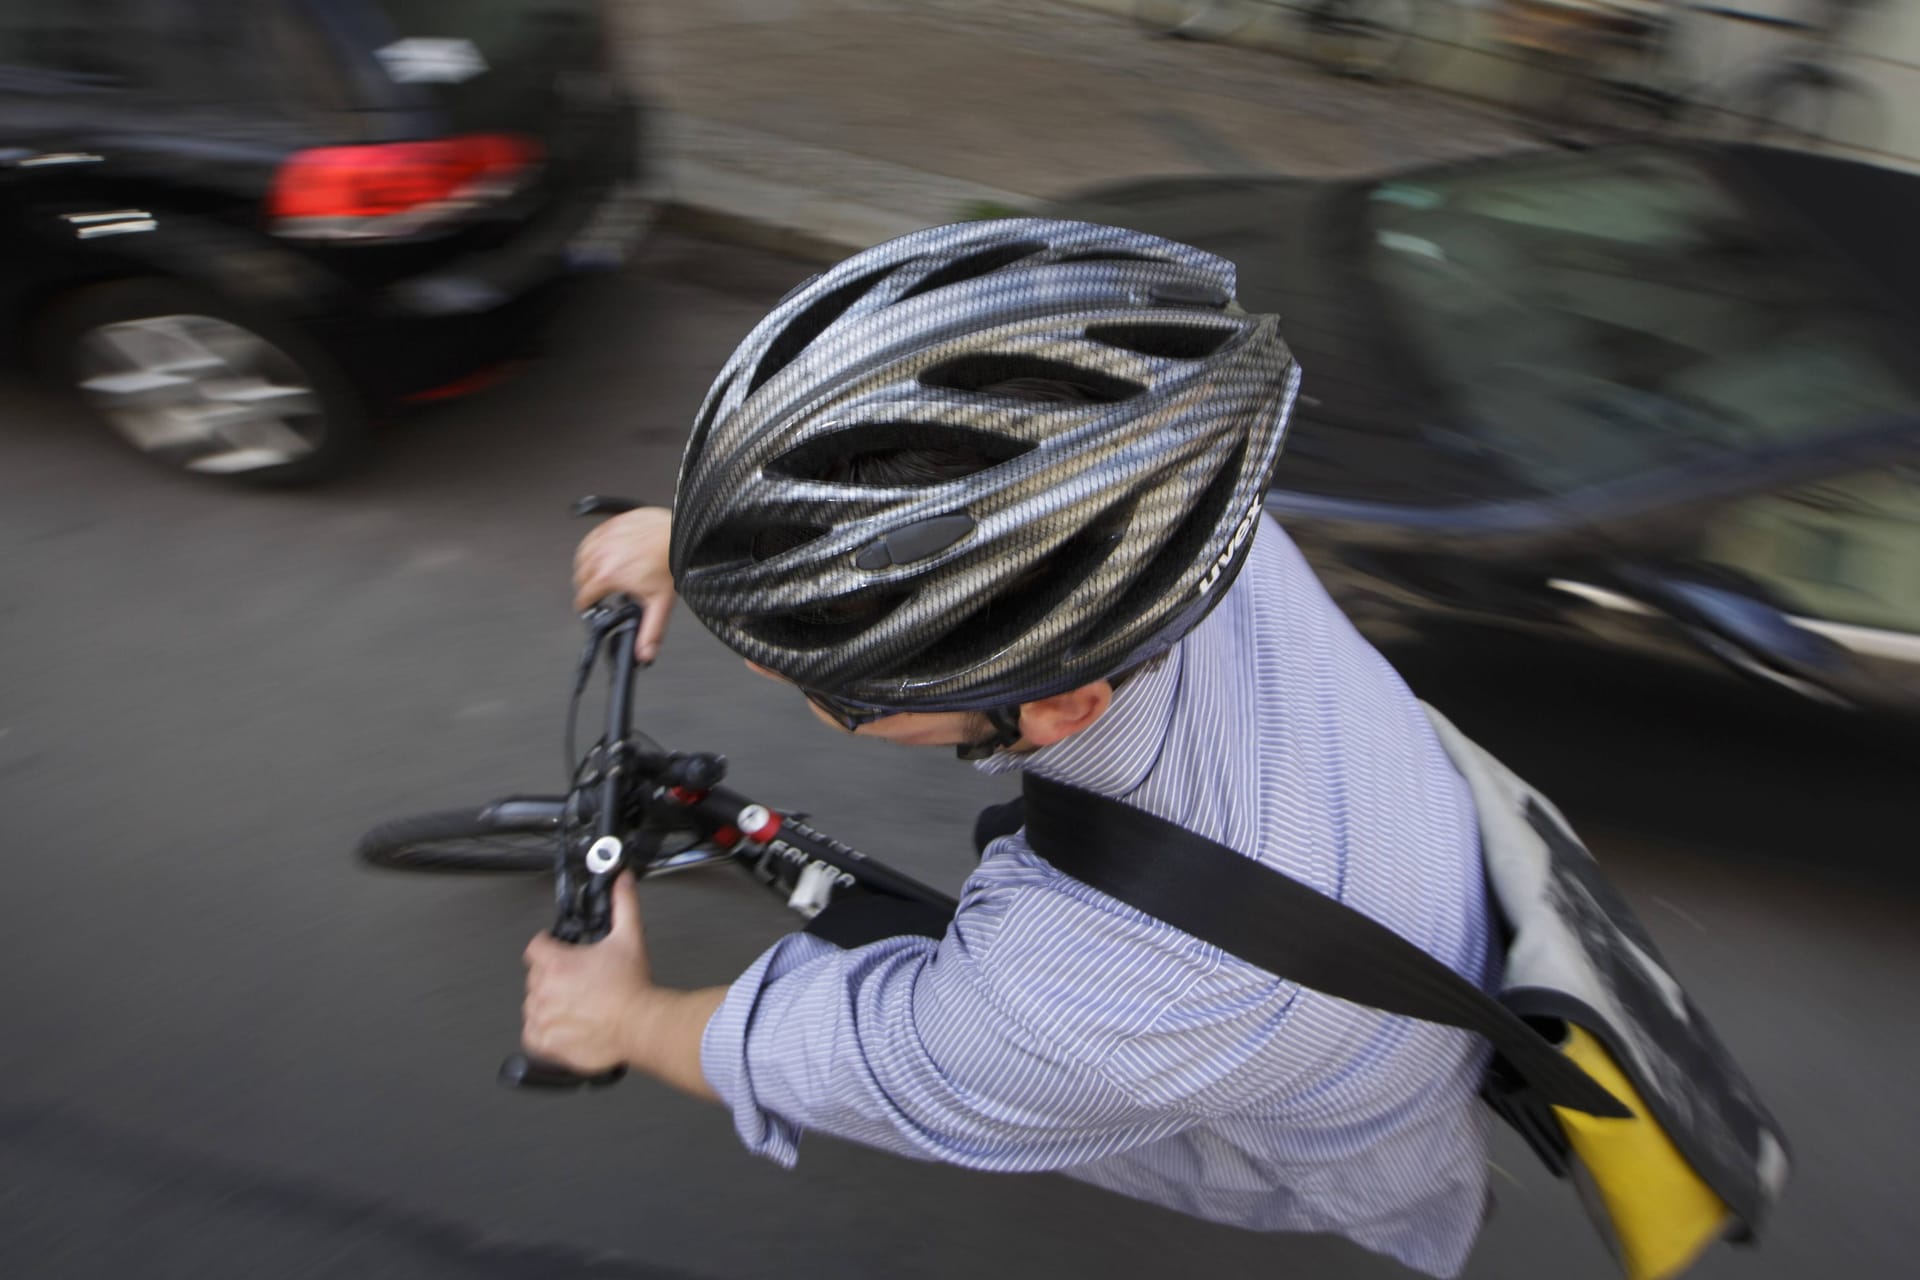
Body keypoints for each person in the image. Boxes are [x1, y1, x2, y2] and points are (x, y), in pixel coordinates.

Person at [520, 220, 1495, 1277]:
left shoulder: (1102, 995)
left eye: (834, 692)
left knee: (1043, 1091)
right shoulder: (1169, 520)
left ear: (1062, 709)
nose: (763, 673)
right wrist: (721, 552)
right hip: (1390, 846)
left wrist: (621, 1016)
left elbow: (845, 1055)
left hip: (1291, 1122)